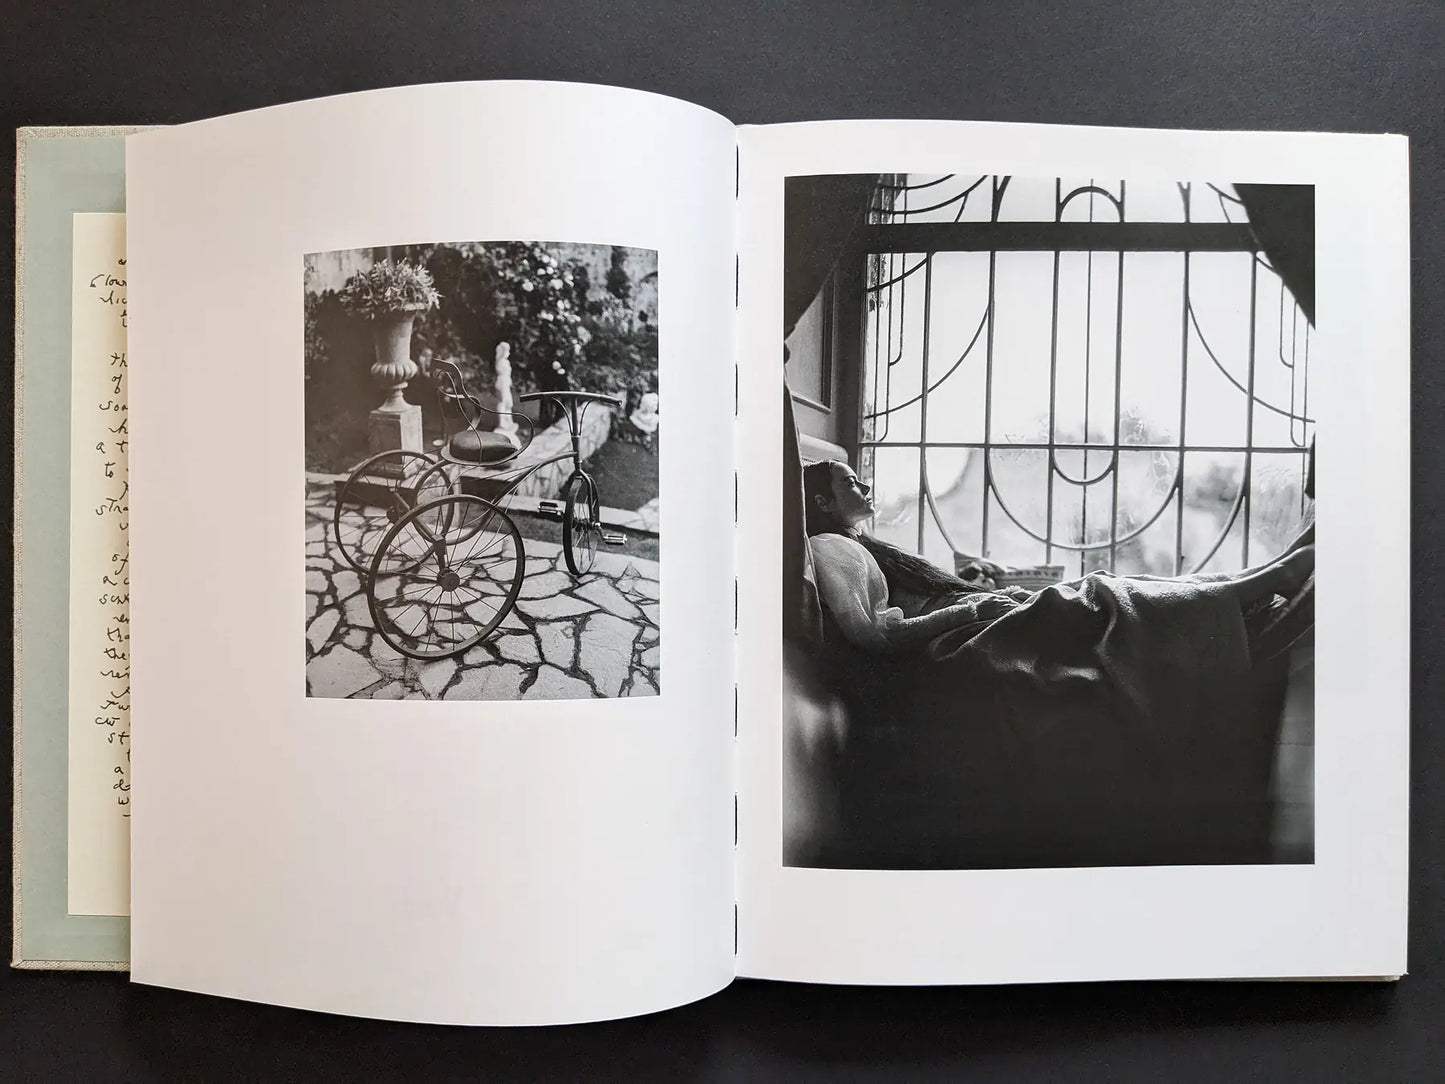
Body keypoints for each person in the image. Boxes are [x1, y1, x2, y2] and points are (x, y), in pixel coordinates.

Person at [802, 459, 1313, 656]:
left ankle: (1250, 584)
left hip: (973, 620)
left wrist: (974, 584)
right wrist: (970, 610)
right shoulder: (830, 549)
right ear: (822, 503)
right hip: (960, 638)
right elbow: (874, 635)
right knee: (1101, 597)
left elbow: (904, 599)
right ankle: (1251, 586)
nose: (865, 484)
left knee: (1102, 590)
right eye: (850, 482)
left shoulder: (861, 546)